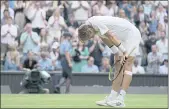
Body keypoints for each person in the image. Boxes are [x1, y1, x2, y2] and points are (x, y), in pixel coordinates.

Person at [78, 16, 142, 107]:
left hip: (132, 34)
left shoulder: (95, 23)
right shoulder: (90, 26)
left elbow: (110, 36)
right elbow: (104, 38)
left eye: (89, 37)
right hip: (122, 38)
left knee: (127, 63)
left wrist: (124, 51)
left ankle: (121, 99)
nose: (91, 38)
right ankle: (112, 97)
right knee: (118, 67)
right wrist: (116, 51)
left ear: (88, 32)